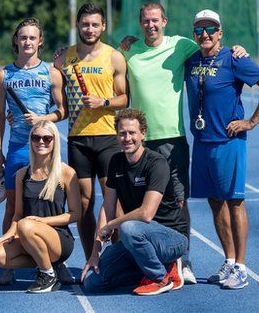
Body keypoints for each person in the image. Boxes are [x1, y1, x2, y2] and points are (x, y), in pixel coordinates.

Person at [118, 2, 248, 283]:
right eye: (145, 21)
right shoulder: (129, 51)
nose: (151, 25)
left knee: (178, 201)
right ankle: (145, 259)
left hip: (171, 138)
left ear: (164, 21)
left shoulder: (182, 46)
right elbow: (106, 63)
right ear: (140, 24)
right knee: (138, 201)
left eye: (155, 20)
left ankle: (183, 260)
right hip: (139, 141)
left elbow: (213, 48)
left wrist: (237, 49)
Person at [184, 10, 259, 289]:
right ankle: (230, 261)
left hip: (228, 142)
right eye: (199, 30)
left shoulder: (234, 58)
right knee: (214, 202)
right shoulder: (192, 59)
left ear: (220, 33)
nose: (205, 35)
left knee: (234, 202)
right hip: (202, 142)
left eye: (210, 29)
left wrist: (251, 122)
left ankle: (242, 267)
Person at [81, 108, 188, 296]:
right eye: (122, 133)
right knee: (93, 283)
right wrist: (95, 251)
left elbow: (146, 214)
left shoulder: (157, 163)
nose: (127, 138)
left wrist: (113, 225)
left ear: (143, 134)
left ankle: (160, 277)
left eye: (132, 133)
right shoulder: (116, 161)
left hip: (171, 238)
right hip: (139, 238)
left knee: (128, 227)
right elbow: (107, 207)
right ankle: (145, 269)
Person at [0, 17, 66, 284]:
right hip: (18, 149)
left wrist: (43, 118)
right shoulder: (5, 75)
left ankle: (57, 263)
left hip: (46, 148)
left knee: (52, 205)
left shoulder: (51, 73)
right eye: (23, 37)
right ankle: (9, 265)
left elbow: (62, 110)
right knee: (13, 207)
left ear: (40, 41)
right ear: (16, 41)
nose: (27, 42)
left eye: (32, 38)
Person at [54, 3, 127, 260]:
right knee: (84, 204)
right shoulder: (64, 58)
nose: (90, 29)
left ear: (103, 26)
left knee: (114, 204)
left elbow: (124, 98)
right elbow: (55, 96)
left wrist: (103, 102)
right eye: (85, 24)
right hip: (78, 139)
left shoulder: (114, 56)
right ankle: (90, 261)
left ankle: (117, 257)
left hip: (107, 137)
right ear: (78, 26)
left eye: (95, 24)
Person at [0, 120, 80, 293]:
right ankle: (46, 264)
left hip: (58, 238)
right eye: (36, 137)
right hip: (29, 234)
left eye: (47, 138)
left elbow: (76, 214)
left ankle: (48, 276)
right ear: (30, 140)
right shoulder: (22, 174)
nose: (41, 142)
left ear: (54, 141)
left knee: (26, 225)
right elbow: (17, 214)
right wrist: (8, 235)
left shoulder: (67, 173)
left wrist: (43, 221)